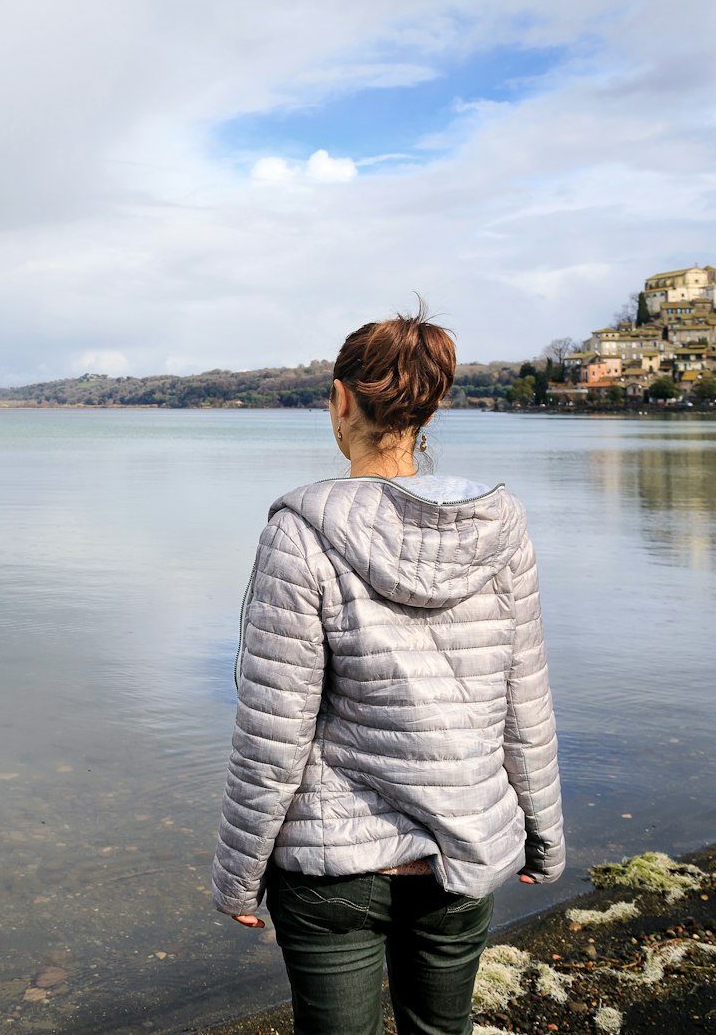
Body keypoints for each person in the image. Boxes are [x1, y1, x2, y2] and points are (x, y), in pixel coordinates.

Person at [210, 310, 563, 1035]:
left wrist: (240, 872)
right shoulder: (502, 529)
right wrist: (543, 834)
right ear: (428, 410)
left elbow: (275, 732)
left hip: (333, 863)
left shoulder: (299, 534)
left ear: (341, 400)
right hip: (465, 847)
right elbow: (524, 700)